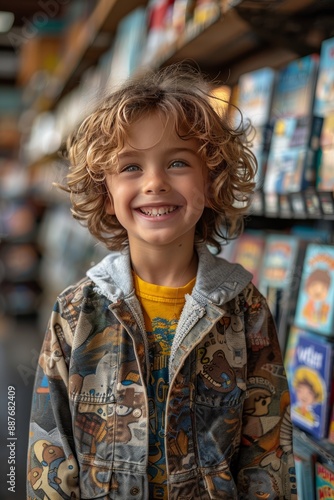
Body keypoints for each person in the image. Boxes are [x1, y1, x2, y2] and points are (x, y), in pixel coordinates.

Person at [27, 63, 297, 499]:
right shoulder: (76, 311)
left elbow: (266, 452)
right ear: (106, 192)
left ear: (210, 180)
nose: (154, 183)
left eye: (177, 162)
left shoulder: (245, 309)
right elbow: (50, 453)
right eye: (130, 167)